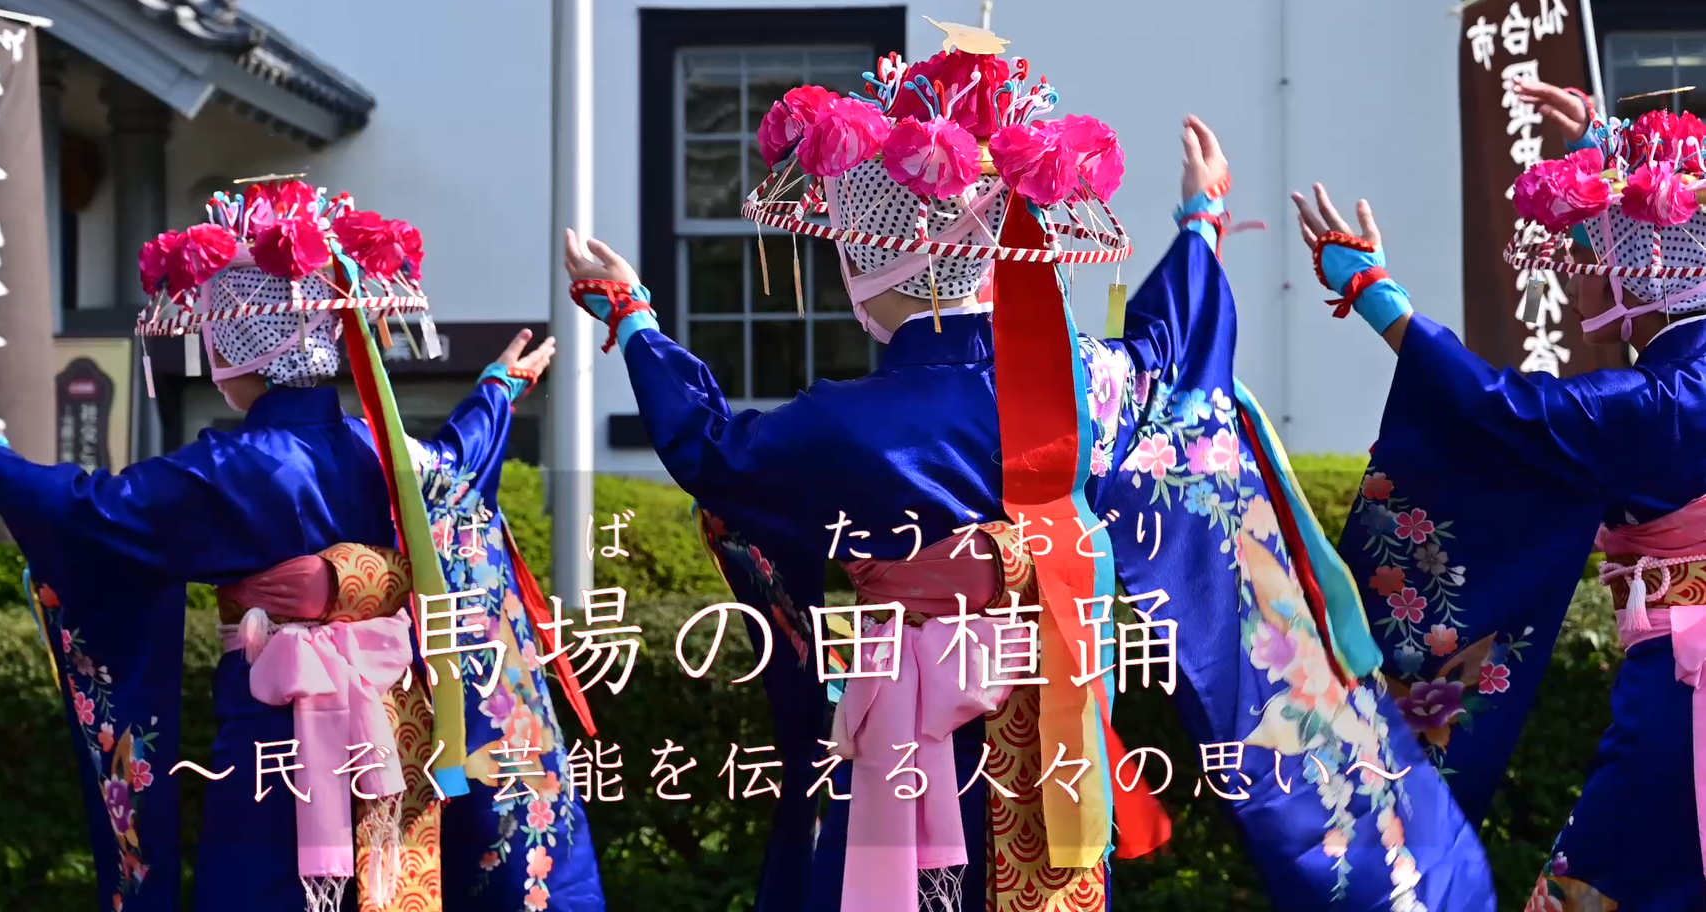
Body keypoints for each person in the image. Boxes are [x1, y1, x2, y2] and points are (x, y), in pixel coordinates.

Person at [563, 29, 1491, 912]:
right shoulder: (1093, 385)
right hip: (1047, 708)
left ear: (893, 256)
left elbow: (711, 454)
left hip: (898, 701)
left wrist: (635, 318)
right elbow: (1171, 348)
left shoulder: (839, 425)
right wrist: (1201, 219)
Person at [0, 181, 602, 912]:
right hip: (397, 726)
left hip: (276, 738)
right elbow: (464, 459)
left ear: (235, 350)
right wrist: (497, 387)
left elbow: (88, 515)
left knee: (271, 888)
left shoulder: (232, 470)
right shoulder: (391, 454)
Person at [1308, 79, 1706, 910]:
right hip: (1674, 678)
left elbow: (1503, 412)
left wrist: (1375, 294)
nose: (1588, 279)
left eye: (1602, 259)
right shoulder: (1669, 393)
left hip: (1683, 700)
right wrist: (1604, 144)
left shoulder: (1657, 407)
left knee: (1596, 889)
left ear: (1642, 278)